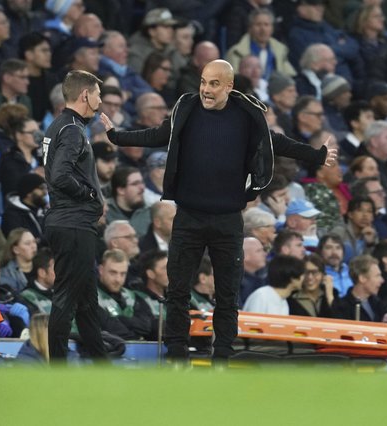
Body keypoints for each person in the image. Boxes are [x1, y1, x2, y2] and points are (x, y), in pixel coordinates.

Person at [101, 59, 337, 362]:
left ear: (229, 86)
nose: (206, 89)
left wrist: (316, 155)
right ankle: (176, 355)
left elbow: (275, 141)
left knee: (227, 295)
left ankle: (222, 358)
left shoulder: (247, 115)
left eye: (214, 84)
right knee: (177, 291)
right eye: (203, 82)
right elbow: (158, 135)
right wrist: (117, 136)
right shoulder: (185, 109)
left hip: (228, 219)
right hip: (188, 215)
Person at [42, 69, 108, 361]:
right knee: (67, 298)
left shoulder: (59, 125)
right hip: (73, 223)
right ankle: (57, 367)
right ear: (85, 95)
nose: (100, 100)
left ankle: (100, 364)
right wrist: (90, 194)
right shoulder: (72, 130)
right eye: (97, 94)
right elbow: (60, 176)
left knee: (86, 301)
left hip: (68, 222)